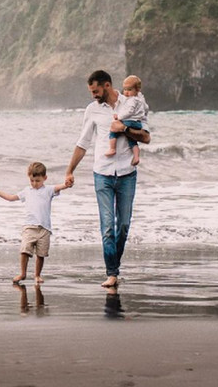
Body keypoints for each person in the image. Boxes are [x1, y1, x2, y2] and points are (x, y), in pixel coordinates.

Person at [64, 70, 151, 288]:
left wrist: (124, 128)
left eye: (96, 91)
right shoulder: (92, 110)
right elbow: (83, 143)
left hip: (126, 174)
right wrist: (69, 170)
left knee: (122, 225)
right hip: (102, 174)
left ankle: (115, 265)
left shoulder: (132, 103)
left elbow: (146, 137)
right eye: (91, 92)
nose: (93, 95)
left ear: (107, 85)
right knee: (107, 227)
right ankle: (112, 272)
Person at [0, 161, 67, 285]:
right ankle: (22, 273)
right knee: (24, 251)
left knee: (41, 254)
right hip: (29, 226)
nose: (34, 184)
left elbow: (62, 186)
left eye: (37, 181)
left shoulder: (48, 190)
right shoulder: (27, 191)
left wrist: (68, 182)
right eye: (32, 181)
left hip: (44, 228)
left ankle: (37, 275)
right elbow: (11, 198)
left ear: (45, 178)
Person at [104, 75, 149, 166]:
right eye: (125, 89)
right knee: (132, 141)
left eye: (129, 89)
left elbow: (129, 111)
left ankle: (112, 148)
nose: (126, 92)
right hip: (137, 123)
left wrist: (119, 117)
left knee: (113, 129)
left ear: (137, 90)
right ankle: (136, 157)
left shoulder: (132, 100)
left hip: (130, 121)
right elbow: (146, 109)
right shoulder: (140, 99)